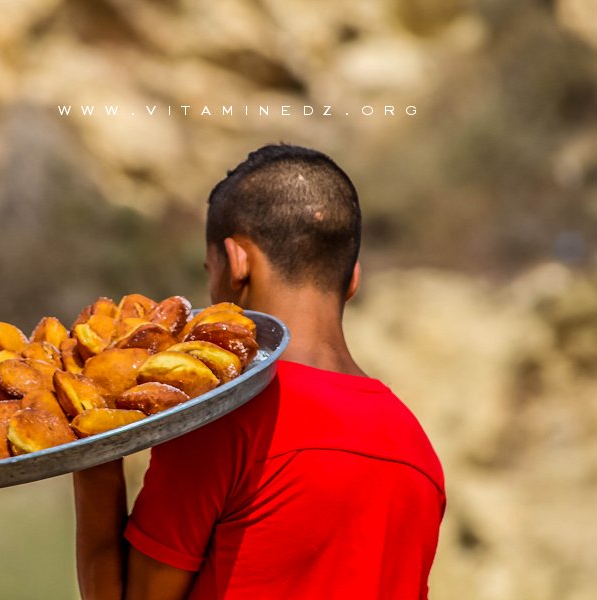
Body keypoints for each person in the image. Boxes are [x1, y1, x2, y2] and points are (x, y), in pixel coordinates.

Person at [73, 143, 446, 600]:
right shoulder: (416, 449)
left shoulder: (222, 418)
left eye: (209, 270)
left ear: (237, 263)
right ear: (351, 280)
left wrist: (90, 448)